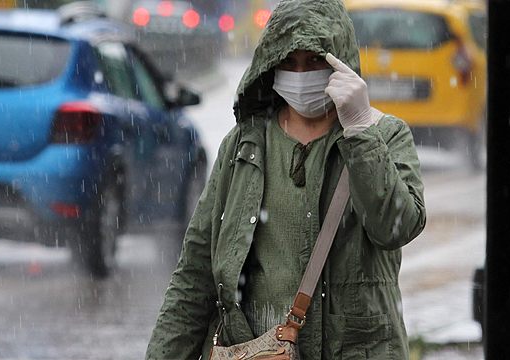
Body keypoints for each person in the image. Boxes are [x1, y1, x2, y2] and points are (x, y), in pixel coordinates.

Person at [145, 0, 426, 358]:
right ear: (271, 65)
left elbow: (396, 227)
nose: (301, 74)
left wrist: (360, 135)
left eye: (315, 61)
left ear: (339, 62)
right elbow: (195, 277)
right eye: (289, 62)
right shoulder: (244, 146)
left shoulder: (384, 136)